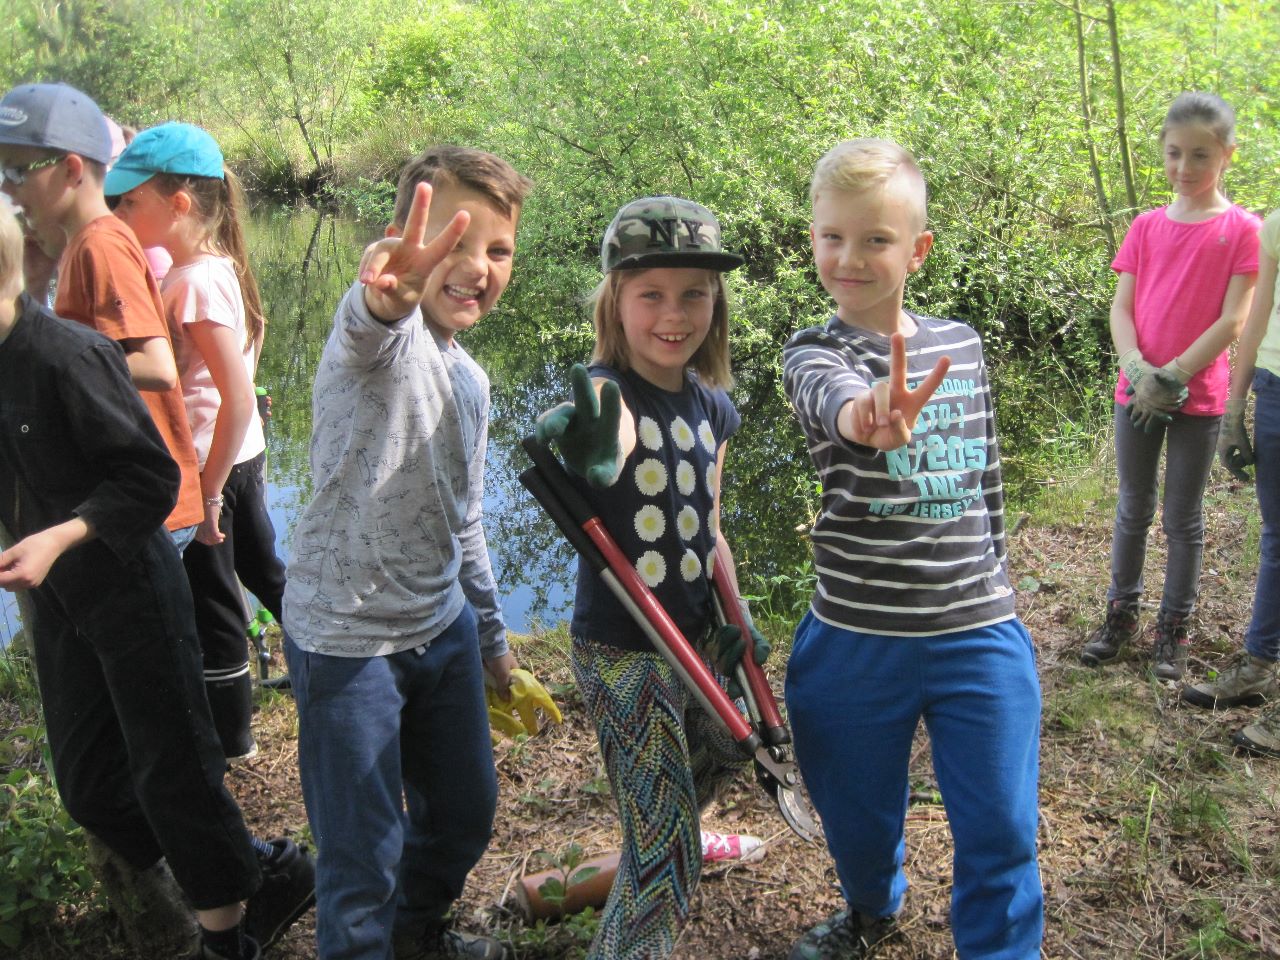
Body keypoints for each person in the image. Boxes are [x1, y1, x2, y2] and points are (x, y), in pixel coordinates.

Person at [781, 138, 1042, 959]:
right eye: (831, 236)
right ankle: (870, 908)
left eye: (875, 239)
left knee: (1001, 822)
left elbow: (987, 476)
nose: (848, 257)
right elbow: (841, 408)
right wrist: (870, 415)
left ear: (917, 250)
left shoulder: (962, 344)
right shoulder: (811, 353)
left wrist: (994, 576)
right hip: (857, 637)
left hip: (976, 627)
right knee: (854, 814)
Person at [0, 202, 278, 960]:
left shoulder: (67, 355)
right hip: (57, 596)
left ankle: (228, 937)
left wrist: (58, 536)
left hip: (129, 582)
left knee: (174, 773)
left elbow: (152, 478)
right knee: (89, 789)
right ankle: (252, 866)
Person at [282, 146, 532, 960]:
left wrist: (492, 642)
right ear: (403, 237)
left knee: (465, 816)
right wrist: (382, 300)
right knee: (360, 861)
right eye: (454, 243)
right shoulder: (374, 342)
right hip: (348, 643)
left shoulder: (474, 381)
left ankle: (416, 934)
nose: (475, 268)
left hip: (442, 627)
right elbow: (372, 325)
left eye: (496, 250)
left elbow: (465, 520)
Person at [534, 195, 769, 960]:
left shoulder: (715, 409)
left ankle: (652, 830)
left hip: (696, 635)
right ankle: (652, 861)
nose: (675, 314)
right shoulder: (608, 393)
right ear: (616, 300)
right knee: (668, 861)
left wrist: (735, 611)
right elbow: (608, 435)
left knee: (744, 748)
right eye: (651, 295)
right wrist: (596, 456)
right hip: (626, 649)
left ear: (716, 302)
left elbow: (710, 525)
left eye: (694, 293)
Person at [106, 122, 288, 762]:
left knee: (214, 605)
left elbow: (235, 395)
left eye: (128, 203)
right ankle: (336, 662)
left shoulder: (192, 282)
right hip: (238, 454)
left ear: (177, 205)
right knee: (262, 570)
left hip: (214, 463)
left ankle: (232, 744)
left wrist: (206, 492)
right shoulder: (208, 269)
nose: (118, 214)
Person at [1080, 91, 1260, 680]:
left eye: (1200, 156)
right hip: (1136, 392)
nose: (1185, 168)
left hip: (1197, 397)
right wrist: (1136, 369)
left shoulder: (1242, 230)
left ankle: (1173, 628)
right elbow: (1121, 307)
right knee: (1133, 505)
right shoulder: (1146, 226)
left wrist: (1176, 374)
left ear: (1227, 156)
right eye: (1175, 153)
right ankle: (1120, 614)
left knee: (1183, 516)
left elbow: (1234, 319)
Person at [0, 83, 203, 553]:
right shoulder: (78, 245)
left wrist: (68, 369)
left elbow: (157, 367)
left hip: (144, 507)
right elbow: (56, 346)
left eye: (16, 171)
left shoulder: (101, 246)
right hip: (118, 496)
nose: (7, 189)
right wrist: (33, 283)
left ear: (71, 169)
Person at [1181, 204, 1280, 756]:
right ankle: (1258, 669)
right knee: (1277, 539)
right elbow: (1259, 312)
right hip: (1275, 387)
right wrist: (1237, 405)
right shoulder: (1277, 227)